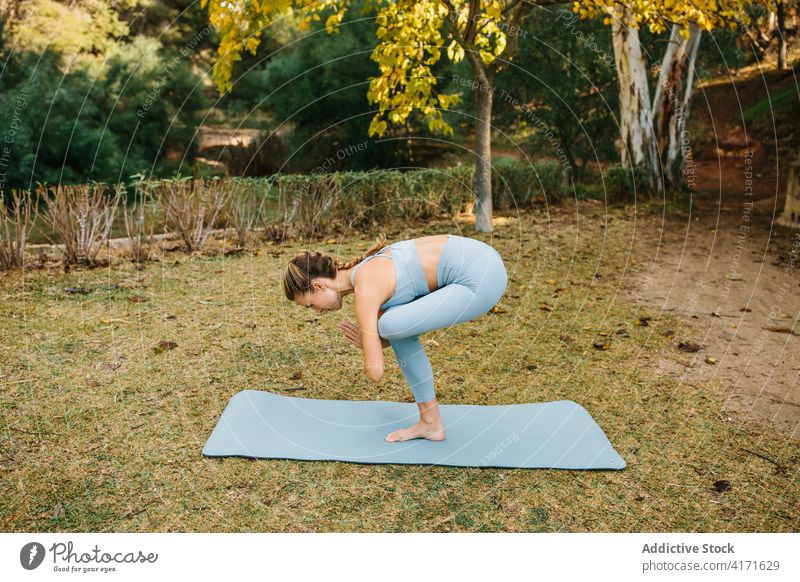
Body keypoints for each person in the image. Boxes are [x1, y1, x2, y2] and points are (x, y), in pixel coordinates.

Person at [282, 233, 508, 442]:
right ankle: (430, 423)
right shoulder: (367, 270)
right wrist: (376, 340)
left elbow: (375, 371)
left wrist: (369, 345)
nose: (317, 312)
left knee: (388, 324)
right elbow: (395, 333)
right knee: (391, 325)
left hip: (480, 277)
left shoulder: (366, 288)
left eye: (311, 305)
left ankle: (430, 422)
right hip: (487, 264)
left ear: (319, 285)